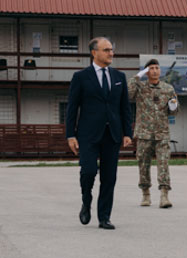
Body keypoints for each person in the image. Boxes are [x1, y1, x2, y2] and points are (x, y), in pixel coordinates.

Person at [66, 37, 133, 230]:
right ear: (94, 53)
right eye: (106, 50)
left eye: (112, 50)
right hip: (87, 135)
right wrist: (70, 135)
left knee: (109, 177)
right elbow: (72, 108)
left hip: (112, 134)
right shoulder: (81, 77)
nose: (111, 53)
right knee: (88, 171)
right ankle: (86, 201)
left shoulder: (119, 77)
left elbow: (125, 108)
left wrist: (127, 132)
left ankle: (104, 217)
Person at [128, 58, 178, 208]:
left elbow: (173, 112)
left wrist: (174, 106)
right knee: (143, 163)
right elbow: (128, 95)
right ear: (146, 71)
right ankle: (146, 194)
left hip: (162, 133)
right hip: (144, 133)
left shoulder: (168, 89)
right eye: (151, 68)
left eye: (157, 68)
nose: (155, 70)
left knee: (163, 163)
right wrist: (137, 76)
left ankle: (164, 195)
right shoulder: (140, 87)